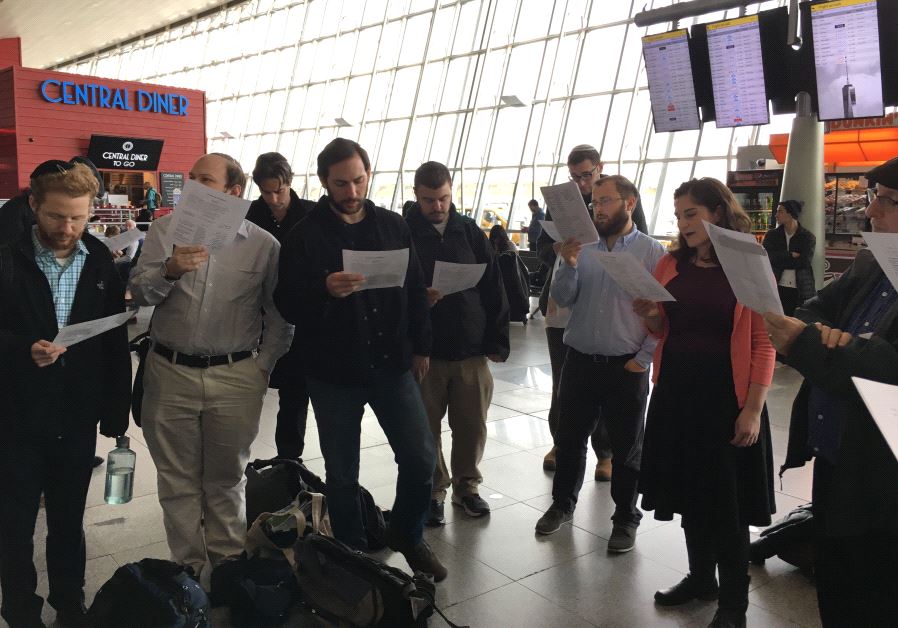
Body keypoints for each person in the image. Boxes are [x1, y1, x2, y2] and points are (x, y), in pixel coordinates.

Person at [274, 138, 447, 581]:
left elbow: (414, 288)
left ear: (368, 174)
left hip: (392, 364)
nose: (351, 192)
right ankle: (352, 554)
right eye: (341, 184)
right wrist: (323, 288)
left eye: (358, 180)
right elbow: (285, 303)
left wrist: (423, 346)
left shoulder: (392, 225)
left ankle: (406, 534)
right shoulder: (304, 236)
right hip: (333, 371)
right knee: (342, 473)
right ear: (323, 182)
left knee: (420, 457)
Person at [129, 153, 293, 581]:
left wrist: (262, 367)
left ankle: (228, 569)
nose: (193, 187)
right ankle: (187, 571)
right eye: (192, 178)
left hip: (236, 375)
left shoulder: (262, 245)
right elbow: (140, 294)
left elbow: (280, 315)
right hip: (170, 371)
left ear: (233, 192)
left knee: (227, 478)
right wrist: (169, 270)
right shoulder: (165, 231)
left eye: (206, 180)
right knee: (177, 481)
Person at [634, 177, 776, 628]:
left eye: (691, 213)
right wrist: (651, 314)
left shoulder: (747, 264)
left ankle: (734, 605)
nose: (683, 223)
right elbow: (664, 328)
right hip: (677, 395)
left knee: (727, 509)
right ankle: (700, 579)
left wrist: (753, 408)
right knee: (691, 496)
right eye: (678, 215)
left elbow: (764, 342)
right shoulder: (671, 263)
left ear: (717, 212)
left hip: (726, 400)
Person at [764, 156, 898, 627]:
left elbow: (886, 367)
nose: (871, 211)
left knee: (876, 592)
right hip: (835, 455)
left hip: (881, 470)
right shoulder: (873, 263)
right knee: (835, 582)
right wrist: (828, 337)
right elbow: (812, 307)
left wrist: (814, 343)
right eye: (873, 197)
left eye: (887, 201)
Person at [0, 159, 131, 628]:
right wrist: (21, 349)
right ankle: (20, 610)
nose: (68, 228)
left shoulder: (99, 260)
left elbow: (114, 339)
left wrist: (116, 411)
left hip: (76, 413)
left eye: (78, 217)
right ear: (33, 204)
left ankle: (70, 605)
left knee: (68, 520)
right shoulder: (7, 258)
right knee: (14, 524)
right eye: (57, 215)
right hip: (15, 415)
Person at [535, 175, 664, 555]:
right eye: (595, 202)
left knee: (627, 449)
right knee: (569, 440)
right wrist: (568, 263)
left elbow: (663, 314)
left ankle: (625, 517)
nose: (598, 209)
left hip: (626, 367)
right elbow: (563, 299)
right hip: (580, 361)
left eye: (606, 201)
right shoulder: (582, 247)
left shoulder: (652, 252)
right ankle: (562, 505)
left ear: (630, 203)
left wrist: (642, 360)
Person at [406, 161, 510, 526]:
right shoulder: (403, 233)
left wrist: (497, 340)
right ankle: (434, 489)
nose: (438, 207)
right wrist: (418, 299)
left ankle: (467, 486)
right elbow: (391, 291)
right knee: (425, 428)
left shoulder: (468, 231)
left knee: (471, 425)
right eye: (429, 200)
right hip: (425, 353)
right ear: (416, 195)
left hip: (470, 348)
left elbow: (493, 286)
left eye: (444, 198)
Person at [536, 145, 618, 480]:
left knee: (603, 383)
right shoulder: (561, 203)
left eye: (587, 175)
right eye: (575, 177)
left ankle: (605, 452)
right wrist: (557, 248)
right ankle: (560, 443)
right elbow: (541, 246)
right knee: (562, 380)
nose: (582, 183)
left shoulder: (617, 195)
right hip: (562, 302)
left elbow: (633, 237)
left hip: (600, 298)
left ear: (600, 167)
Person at [245, 152, 316, 459]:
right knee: (248, 388)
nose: (274, 199)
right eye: (266, 192)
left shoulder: (312, 214)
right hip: (256, 314)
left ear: (290, 182)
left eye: (280, 191)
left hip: (299, 314)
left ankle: (289, 457)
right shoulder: (249, 215)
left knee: (295, 392)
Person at [762, 200, 816, 316]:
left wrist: (779, 259)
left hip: (801, 289)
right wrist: (789, 255)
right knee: (777, 320)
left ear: (791, 214)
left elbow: (804, 262)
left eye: (780, 211)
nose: (776, 215)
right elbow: (767, 257)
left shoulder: (807, 237)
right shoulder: (772, 235)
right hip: (776, 286)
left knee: (797, 321)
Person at [489, 224, 530, 323]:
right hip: (508, 278)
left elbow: (510, 266)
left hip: (509, 278)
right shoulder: (493, 246)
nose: (496, 240)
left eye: (497, 237)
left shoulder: (509, 246)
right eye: (494, 238)